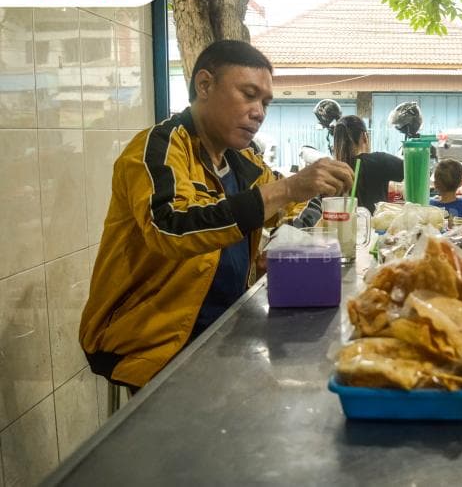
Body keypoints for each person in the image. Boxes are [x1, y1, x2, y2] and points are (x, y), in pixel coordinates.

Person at [79, 40, 354, 391]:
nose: (259, 112)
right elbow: (171, 228)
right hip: (152, 342)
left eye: (265, 103)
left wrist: (284, 237)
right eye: (249, 95)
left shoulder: (243, 162)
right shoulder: (158, 149)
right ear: (205, 85)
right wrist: (288, 189)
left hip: (222, 328)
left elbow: (287, 205)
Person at [332, 114, 404, 213]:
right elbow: (413, 171)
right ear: (364, 136)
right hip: (376, 222)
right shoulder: (380, 160)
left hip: (341, 221)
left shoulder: (331, 171)